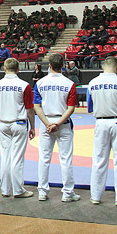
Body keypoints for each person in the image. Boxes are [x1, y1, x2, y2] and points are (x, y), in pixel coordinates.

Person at [87, 57, 117, 206]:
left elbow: (90, 107)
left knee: (99, 160)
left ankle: (95, 195)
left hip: (100, 122)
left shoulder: (92, 83)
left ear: (102, 67)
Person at [33, 53, 80, 202]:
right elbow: (71, 108)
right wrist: (57, 124)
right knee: (66, 159)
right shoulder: (69, 83)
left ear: (49, 66)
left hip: (46, 122)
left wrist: (48, 124)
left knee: (44, 158)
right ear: (63, 66)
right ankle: (67, 192)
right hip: (63, 123)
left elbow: (37, 106)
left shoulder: (40, 83)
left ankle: (42, 191)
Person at [0, 58, 35, 198]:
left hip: (3, 122)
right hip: (19, 123)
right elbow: (29, 109)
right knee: (17, 158)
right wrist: (33, 126)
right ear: (18, 69)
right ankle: (18, 190)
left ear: (4, 68)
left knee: (5, 157)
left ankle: (5, 189)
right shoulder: (24, 85)